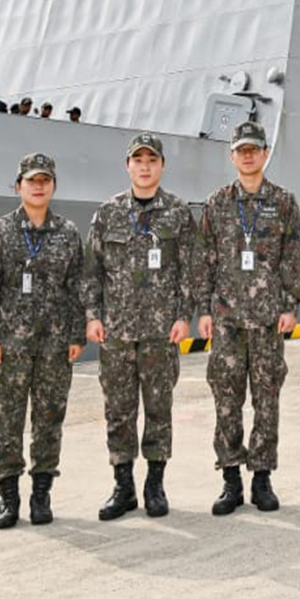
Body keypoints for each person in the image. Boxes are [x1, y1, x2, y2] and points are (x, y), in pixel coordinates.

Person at [191, 120, 300, 516]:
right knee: (226, 398)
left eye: (254, 149)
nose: (248, 155)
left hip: (268, 319)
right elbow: (203, 261)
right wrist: (204, 310)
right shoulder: (217, 203)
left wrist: (290, 305)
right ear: (233, 155)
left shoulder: (284, 202)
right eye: (242, 150)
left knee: (267, 398)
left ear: (264, 153)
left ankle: (262, 478)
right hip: (225, 320)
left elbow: (293, 258)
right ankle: (230, 479)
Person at [0, 152, 85, 529]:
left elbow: (77, 288)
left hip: (54, 346)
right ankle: (8, 497)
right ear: (18, 186)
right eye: (31, 180)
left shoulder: (68, 234)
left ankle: (41, 494)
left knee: (49, 419)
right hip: (9, 347)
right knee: (7, 421)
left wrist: (76, 334)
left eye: (45, 180)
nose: (38, 186)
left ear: (53, 186)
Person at [85, 133, 197, 521]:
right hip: (115, 332)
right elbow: (92, 271)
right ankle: (123, 486)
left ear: (162, 166)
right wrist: (92, 315)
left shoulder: (179, 213)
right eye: (138, 160)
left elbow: (190, 271)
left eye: (152, 160)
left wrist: (184, 316)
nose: (145, 166)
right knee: (118, 409)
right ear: (128, 166)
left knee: (158, 408)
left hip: (160, 331)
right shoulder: (107, 213)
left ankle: (155, 484)